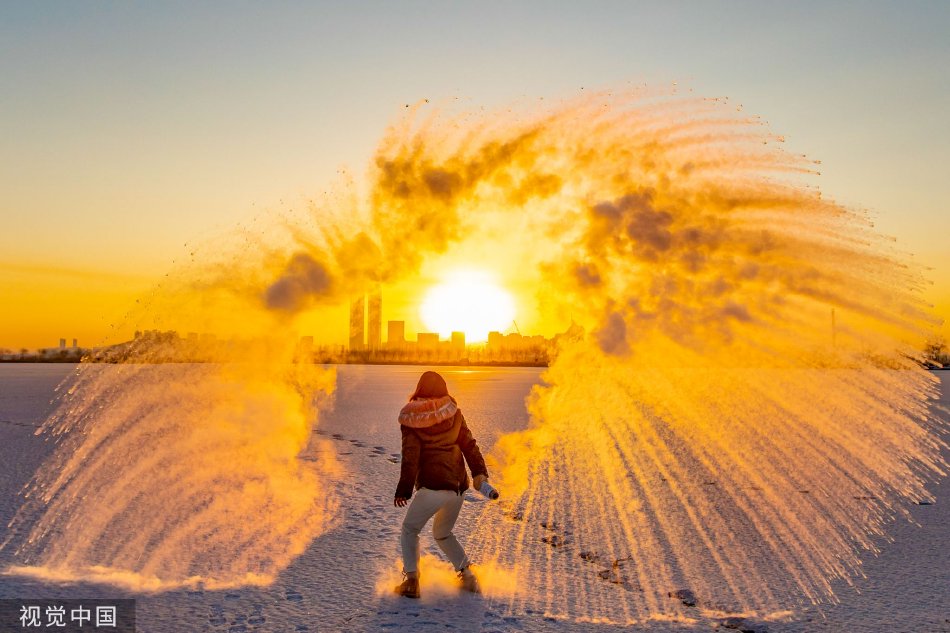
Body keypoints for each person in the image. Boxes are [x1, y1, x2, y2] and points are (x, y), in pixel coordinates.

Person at [393, 371, 489, 599]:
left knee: (409, 530)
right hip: (457, 487)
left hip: (432, 487)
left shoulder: (411, 417)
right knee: (443, 533)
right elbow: (470, 446)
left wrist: (404, 490)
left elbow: (410, 457)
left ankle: (412, 581)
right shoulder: (453, 412)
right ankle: (468, 576)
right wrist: (479, 474)